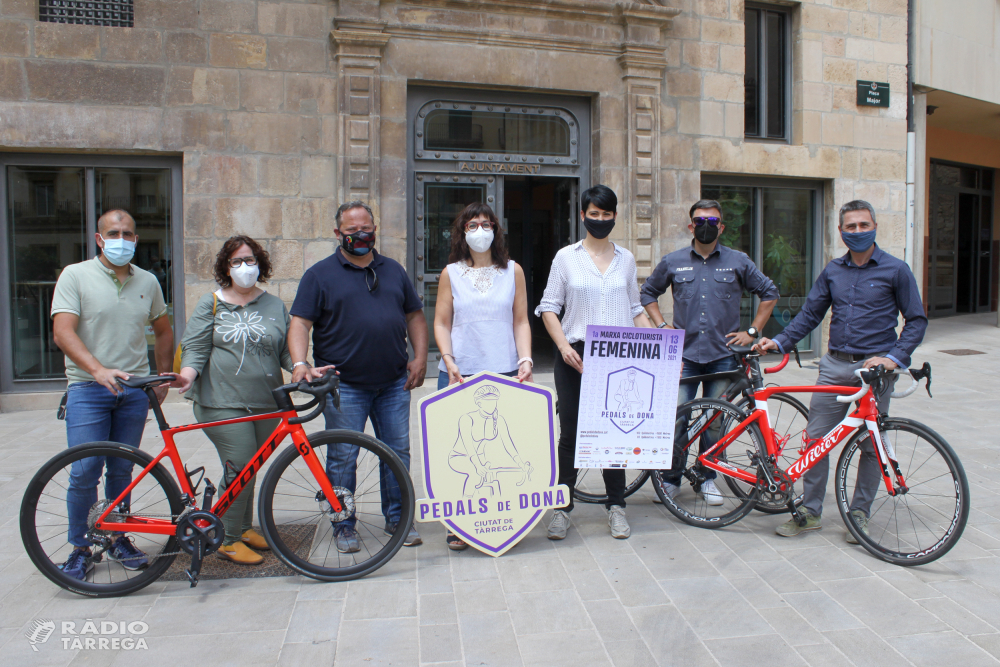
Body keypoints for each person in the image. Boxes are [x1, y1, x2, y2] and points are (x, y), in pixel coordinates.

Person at [756, 200, 927, 541]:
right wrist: (780, 342)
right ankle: (810, 510)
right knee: (816, 441)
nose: (858, 232)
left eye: (864, 225)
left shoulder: (896, 270)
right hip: (834, 366)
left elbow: (916, 320)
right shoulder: (833, 271)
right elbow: (810, 315)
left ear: (875, 226)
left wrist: (893, 359)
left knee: (870, 445)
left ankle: (860, 513)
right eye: (851, 227)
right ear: (841, 231)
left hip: (875, 369)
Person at [172, 236, 326, 564]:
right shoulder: (210, 302)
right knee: (240, 462)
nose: (245, 267)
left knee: (249, 468)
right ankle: (226, 539)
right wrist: (188, 375)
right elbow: (196, 347)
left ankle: (242, 528)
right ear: (225, 268)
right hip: (221, 402)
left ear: (261, 264)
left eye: (251, 260)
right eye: (237, 262)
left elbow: (285, 351)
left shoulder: (272, 305)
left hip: (267, 403)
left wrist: (302, 368)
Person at [288, 201, 428, 554]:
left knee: (397, 453)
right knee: (342, 457)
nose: (361, 236)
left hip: (394, 383)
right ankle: (343, 524)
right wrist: (299, 363)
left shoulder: (393, 270)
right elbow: (300, 323)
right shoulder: (319, 275)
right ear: (338, 234)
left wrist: (421, 357)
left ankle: (398, 518)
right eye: (352, 232)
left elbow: (414, 315)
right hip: (343, 386)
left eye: (367, 229)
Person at [51, 209, 173, 581]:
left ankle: (118, 538)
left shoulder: (148, 281)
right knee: (85, 470)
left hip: (133, 390)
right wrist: (97, 370)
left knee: (122, 469)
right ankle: (81, 547)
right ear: (99, 238)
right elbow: (63, 332)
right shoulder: (75, 275)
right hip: (89, 389)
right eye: (114, 233)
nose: (122, 239)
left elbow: (164, 330)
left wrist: (162, 378)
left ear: (136, 239)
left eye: (128, 233)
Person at [640, 199, 779, 505]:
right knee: (677, 420)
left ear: (722, 227)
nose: (706, 226)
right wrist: (662, 327)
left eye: (712, 221)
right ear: (691, 226)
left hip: (724, 357)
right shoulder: (673, 261)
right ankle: (671, 479)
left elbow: (769, 292)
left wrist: (753, 331)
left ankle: (707, 478)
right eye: (700, 221)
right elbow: (648, 292)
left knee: (715, 422)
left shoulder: (738, 261)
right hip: (684, 358)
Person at [536, 184, 653, 541]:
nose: (599, 220)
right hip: (575, 356)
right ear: (583, 215)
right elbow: (549, 306)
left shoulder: (627, 259)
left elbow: (635, 308)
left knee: (615, 435)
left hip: (618, 358)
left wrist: (658, 347)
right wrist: (562, 346)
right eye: (593, 213)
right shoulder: (565, 257)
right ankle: (562, 508)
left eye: (606, 214)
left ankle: (616, 506)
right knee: (570, 434)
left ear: (614, 216)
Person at [433, 202, 534, 549]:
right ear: (462, 232)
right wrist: (447, 359)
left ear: (496, 230)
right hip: (461, 371)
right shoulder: (451, 273)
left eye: (486, 223)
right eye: (472, 225)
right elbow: (441, 322)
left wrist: (526, 359)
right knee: (458, 449)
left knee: (500, 451)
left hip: (504, 368)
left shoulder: (513, 271)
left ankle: (499, 521)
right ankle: (458, 524)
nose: (480, 230)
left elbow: (520, 320)